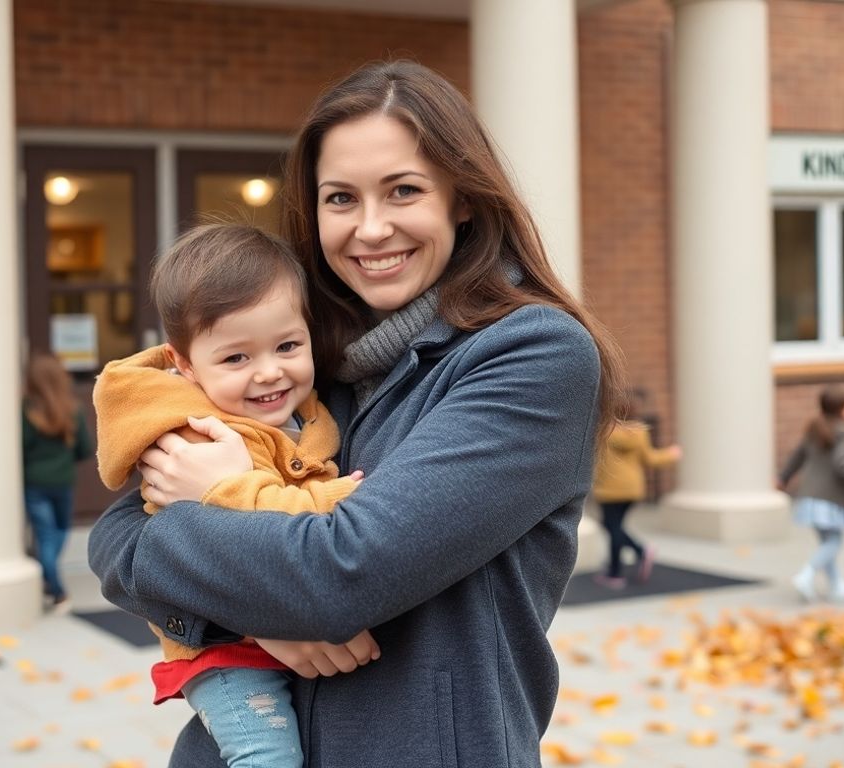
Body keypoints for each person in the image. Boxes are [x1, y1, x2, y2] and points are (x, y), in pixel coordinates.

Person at [87, 59, 625, 767]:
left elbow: (342, 574)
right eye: (341, 198)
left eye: (403, 191)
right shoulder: (304, 357)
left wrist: (221, 505)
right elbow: (115, 538)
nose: (371, 229)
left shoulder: (533, 356)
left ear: (462, 199)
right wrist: (262, 616)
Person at [92, 223, 373, 768]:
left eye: (288, 346)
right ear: (184, 365)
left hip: (262, 624)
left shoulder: (307, 412)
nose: (269, 372)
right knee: (266, 756)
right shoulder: (197, 435)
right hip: (225, 656)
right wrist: (339, 499)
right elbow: (254, 513)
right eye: (236, 359)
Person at [776, 384, 844, 602]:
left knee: (828, 542)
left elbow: (798, 455)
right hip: (830, 499)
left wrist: (783, 477)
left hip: (810, 497)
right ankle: (806, 575)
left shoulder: (816, 428)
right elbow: (842, 463)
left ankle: (836, 586)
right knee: (833, 542)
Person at [21, 352, 94, 613]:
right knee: (60, 531)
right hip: (62, 482)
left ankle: (53, 587)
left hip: (34, 483)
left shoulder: (26, 411)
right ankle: (54, 586)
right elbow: (85, 449)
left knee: (45, 535)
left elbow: (20, 448)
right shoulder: (71, 410)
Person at [590, 394, 680, 589]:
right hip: (632, 488)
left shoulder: (604, 431)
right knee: (613, 526)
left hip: (609, 489)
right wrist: (671, 454)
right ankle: (633, 556)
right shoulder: (639, 432)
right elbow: (650, 459)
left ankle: (619, 569)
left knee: (613, 528)